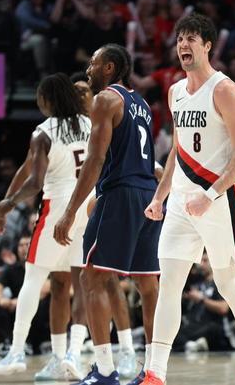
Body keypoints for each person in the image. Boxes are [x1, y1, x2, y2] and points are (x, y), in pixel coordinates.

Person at [143, 13, 235, 385]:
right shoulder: (175, 92)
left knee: (228, 284)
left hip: (220, 201)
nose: (183, 45)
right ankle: (155, 373)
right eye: (179, 39)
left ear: (207, 46)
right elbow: (178, 150)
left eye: (191, 38)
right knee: (169, 283)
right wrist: (160, 196)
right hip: (180, 203)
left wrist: (209, 194)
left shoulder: (226, 91)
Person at [53, 43, 161, 385]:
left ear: (110, 67)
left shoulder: (105, 99)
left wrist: (69, 212)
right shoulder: (142, 104)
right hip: (148, 194)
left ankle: (104, 371)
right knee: (148, 284)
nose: (88, 70)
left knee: (92, 279)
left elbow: (95, 160)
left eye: (93, 63)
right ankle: (153, 371)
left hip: (121, 194)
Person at [0, 73, 92, 381]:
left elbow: (35, 182)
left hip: (57, 207)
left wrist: (7, 204)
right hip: (87, 205)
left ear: (48, 99)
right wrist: (8, 198)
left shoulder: (43, 132)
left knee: (33, 277)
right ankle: (70, 355)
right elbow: (27, 167)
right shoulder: (89, 124)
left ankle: (16, 351)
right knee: (74, 282)